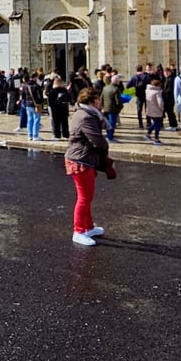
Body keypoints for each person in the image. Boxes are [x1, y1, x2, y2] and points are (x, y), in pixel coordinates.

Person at [65, 86, 111, 246]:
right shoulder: (85, 117)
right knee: (84, 198)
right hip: (80, 159)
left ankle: (88, 227)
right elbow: (97, 140)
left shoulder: (88, 114)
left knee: (88, 196)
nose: (100, 101)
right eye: (98, 99)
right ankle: (78, 231)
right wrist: (105, 152)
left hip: (85, 157)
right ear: (91, 101)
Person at [144, 77, 165, 144]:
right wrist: (162, 108)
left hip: (150, 109)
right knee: (157, 125)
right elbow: (160, 102)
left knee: (155, 123)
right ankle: (156, 138)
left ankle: (148, 133)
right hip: (157, 110)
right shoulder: (157, 92)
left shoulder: (147, 90)